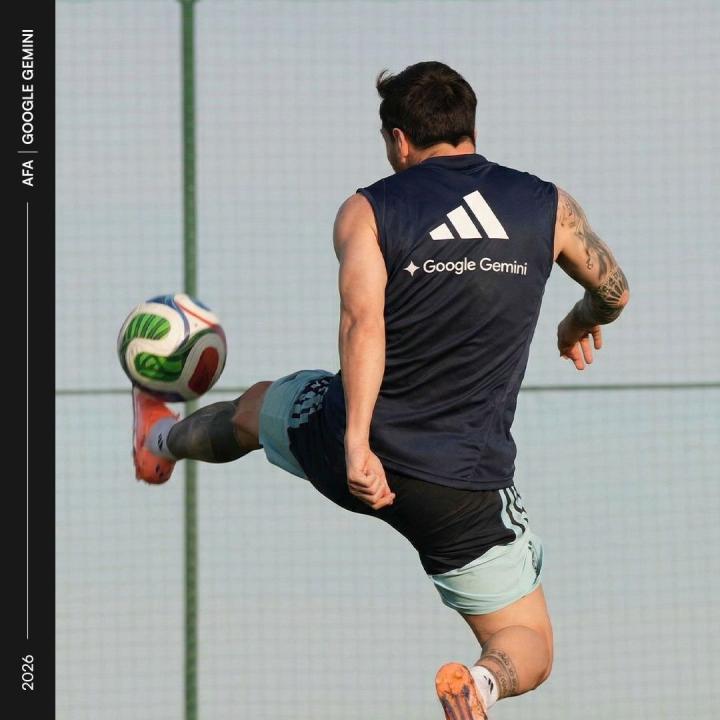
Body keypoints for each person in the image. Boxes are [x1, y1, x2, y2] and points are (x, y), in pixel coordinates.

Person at [130, 61, 629, 719]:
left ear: (398, 139)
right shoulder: (548, 206)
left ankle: (159, 441)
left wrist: (358, 443)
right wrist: (580, 319)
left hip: (349, 443)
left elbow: (362, 321)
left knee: (253, 410)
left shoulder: (367, 209)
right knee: (526, 639)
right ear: (471, 128)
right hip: (461, 485)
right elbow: (614, 290)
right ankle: (481, 683)